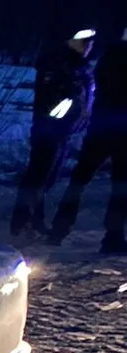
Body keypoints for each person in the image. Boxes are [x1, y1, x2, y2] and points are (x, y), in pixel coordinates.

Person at [10, 28, 96, 236]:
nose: (88, 49)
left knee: (47, 177)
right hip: (50, 129)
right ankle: (23, 221)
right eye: (85, 44)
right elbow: (54, 98)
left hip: (63, 129)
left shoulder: (77, 65)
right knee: (38, 175)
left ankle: (33, 219)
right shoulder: (59, 64)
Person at [49, 27, 127, 253]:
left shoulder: (107, 58)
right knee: (120, 186)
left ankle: (59, 228)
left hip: (100, 127)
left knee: (79, 179)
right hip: (122, 132)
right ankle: (113, 236)